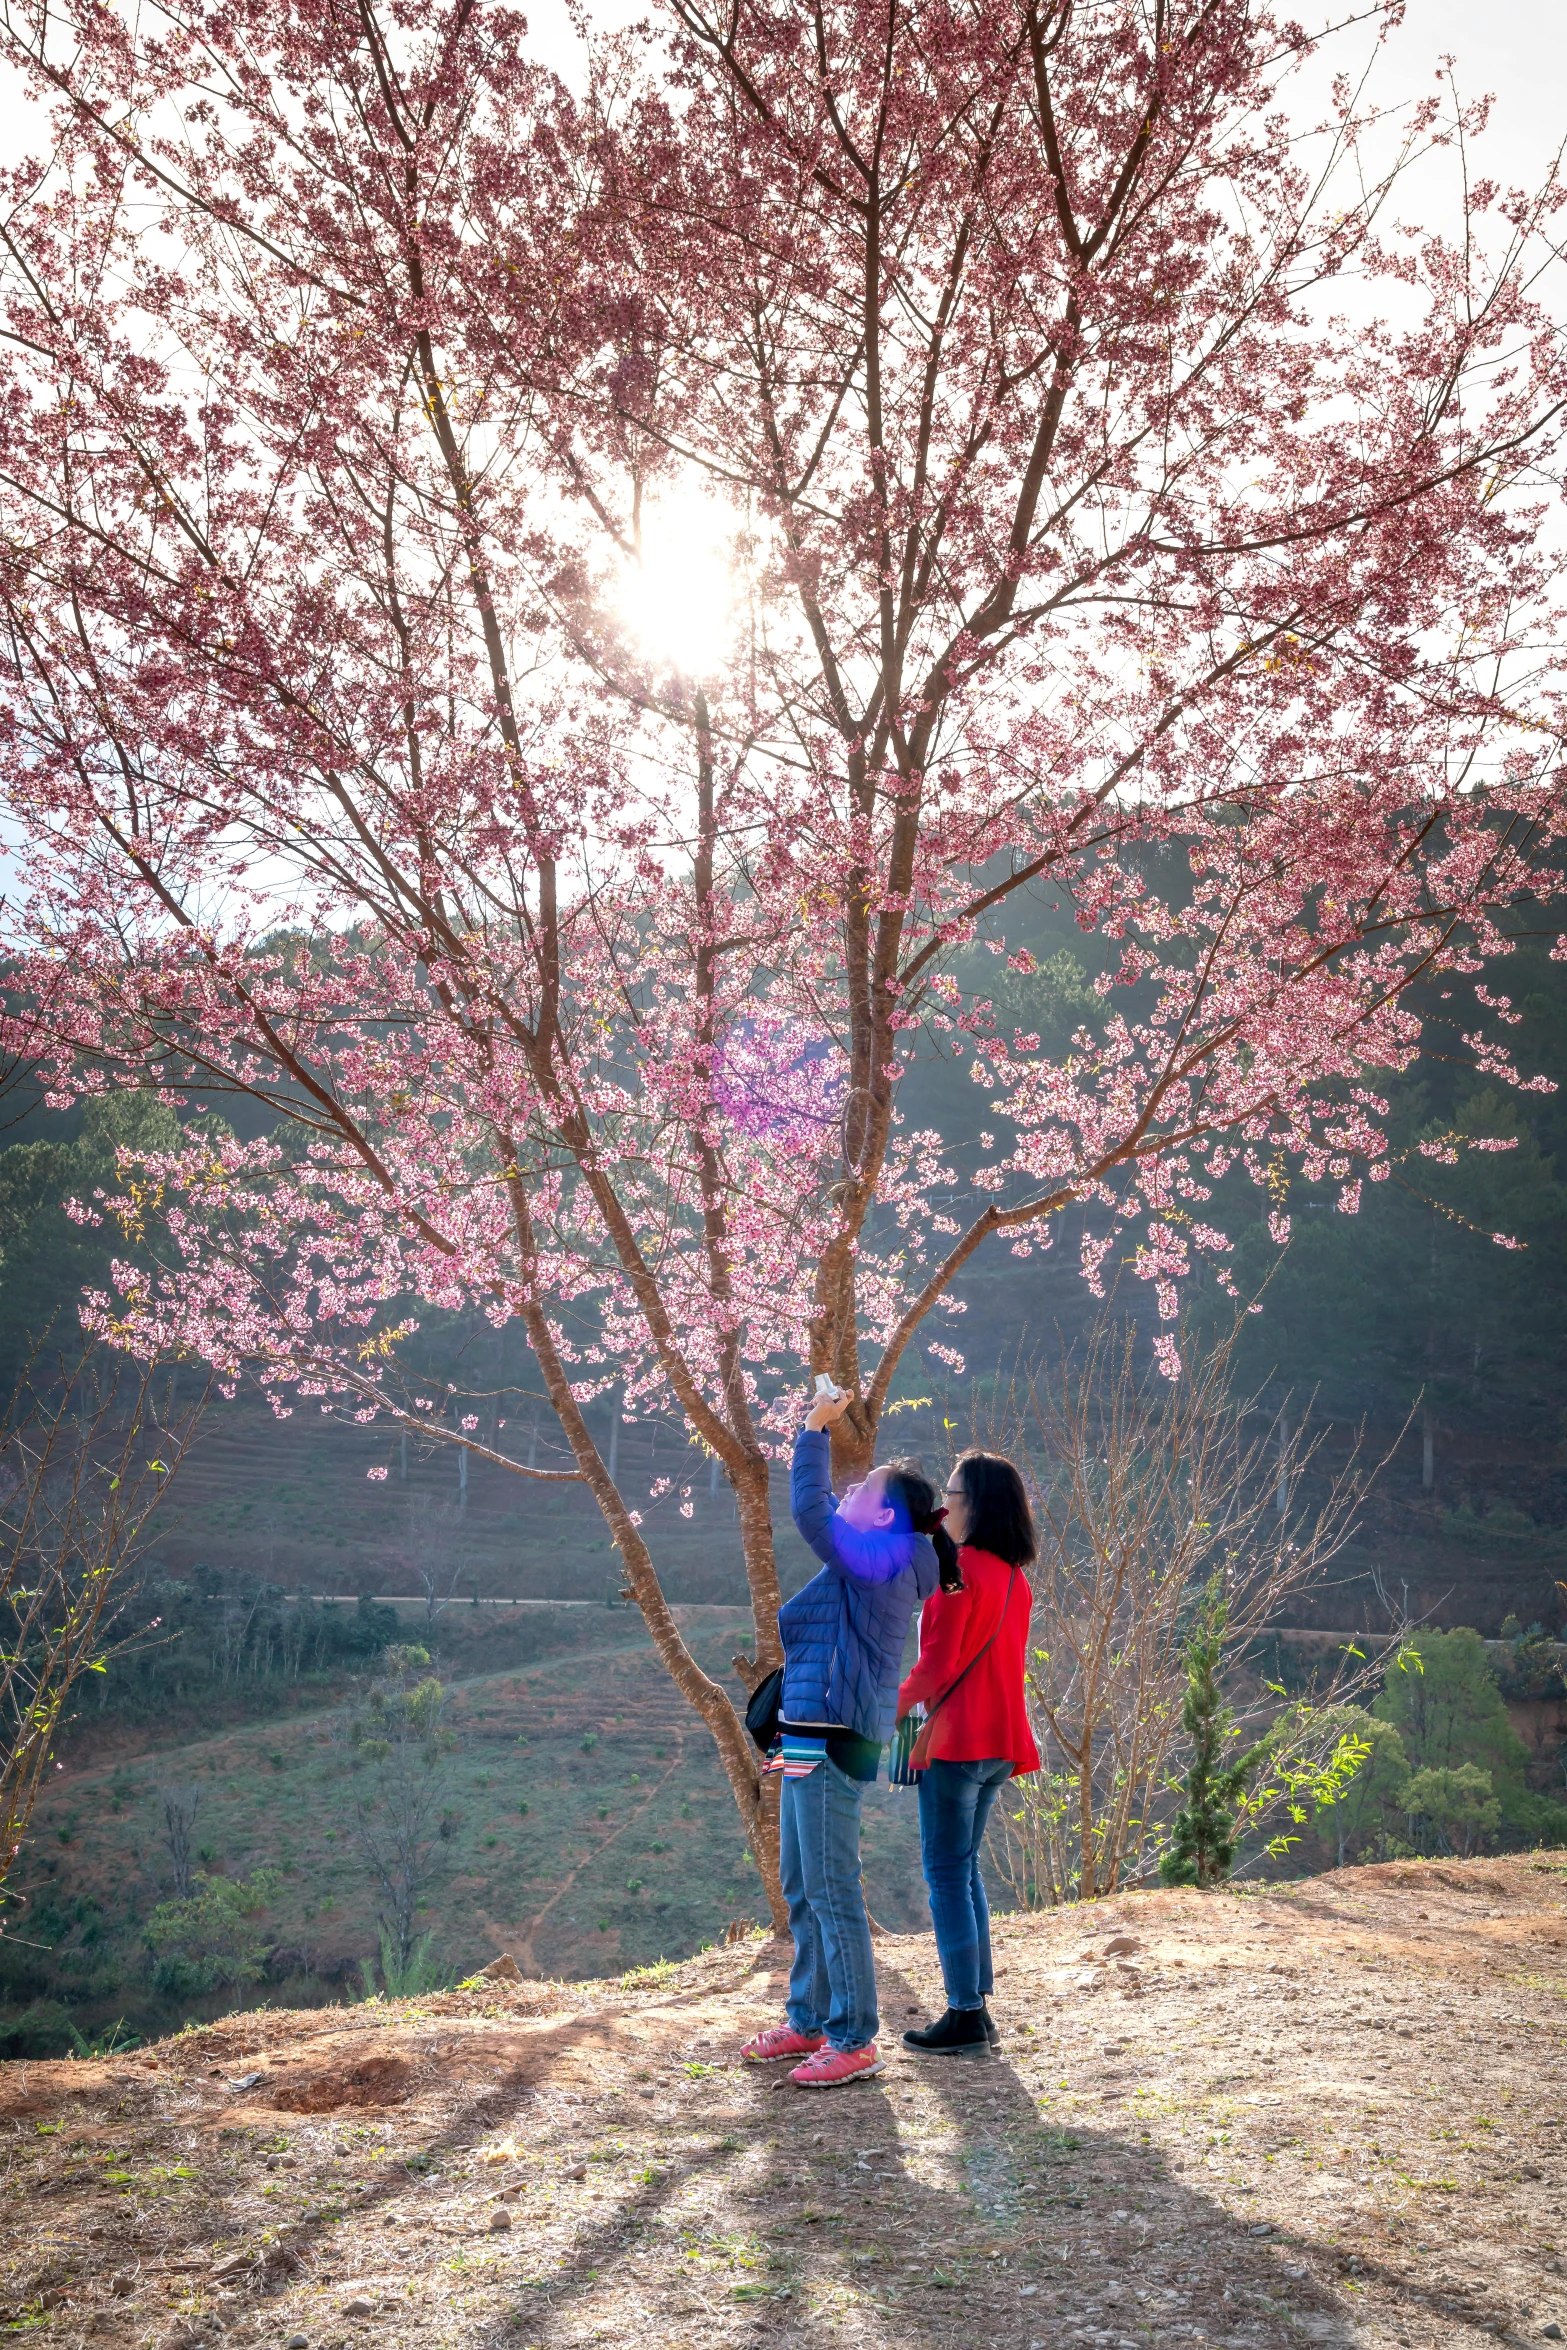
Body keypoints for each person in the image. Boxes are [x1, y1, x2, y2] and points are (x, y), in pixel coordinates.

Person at [740, 1381, 941, 2089]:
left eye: (865, 1488)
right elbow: (826, 1518)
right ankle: (809, 2020)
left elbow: (809, 1512)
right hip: (806, 1734)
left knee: (831, 1888)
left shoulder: (882, 1561)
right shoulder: (873, 1560)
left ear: (883, 1513)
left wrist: (814, 1429)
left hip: (831, 1737)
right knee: (802, 1885)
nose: (849, 1490)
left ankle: (853, 2036)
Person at [898, 1448, 1039, 2055]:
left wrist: (888, 1710)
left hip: (957, 1740)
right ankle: (975, 2002)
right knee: (965, 1867)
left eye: (949, 1494)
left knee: (946, 1874)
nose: (940, 1506)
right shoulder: (1015, 1577)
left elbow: (938, 1664)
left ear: (973, 1504)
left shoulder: (956, 1570)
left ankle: (964, 2012)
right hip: (1001, 1741)